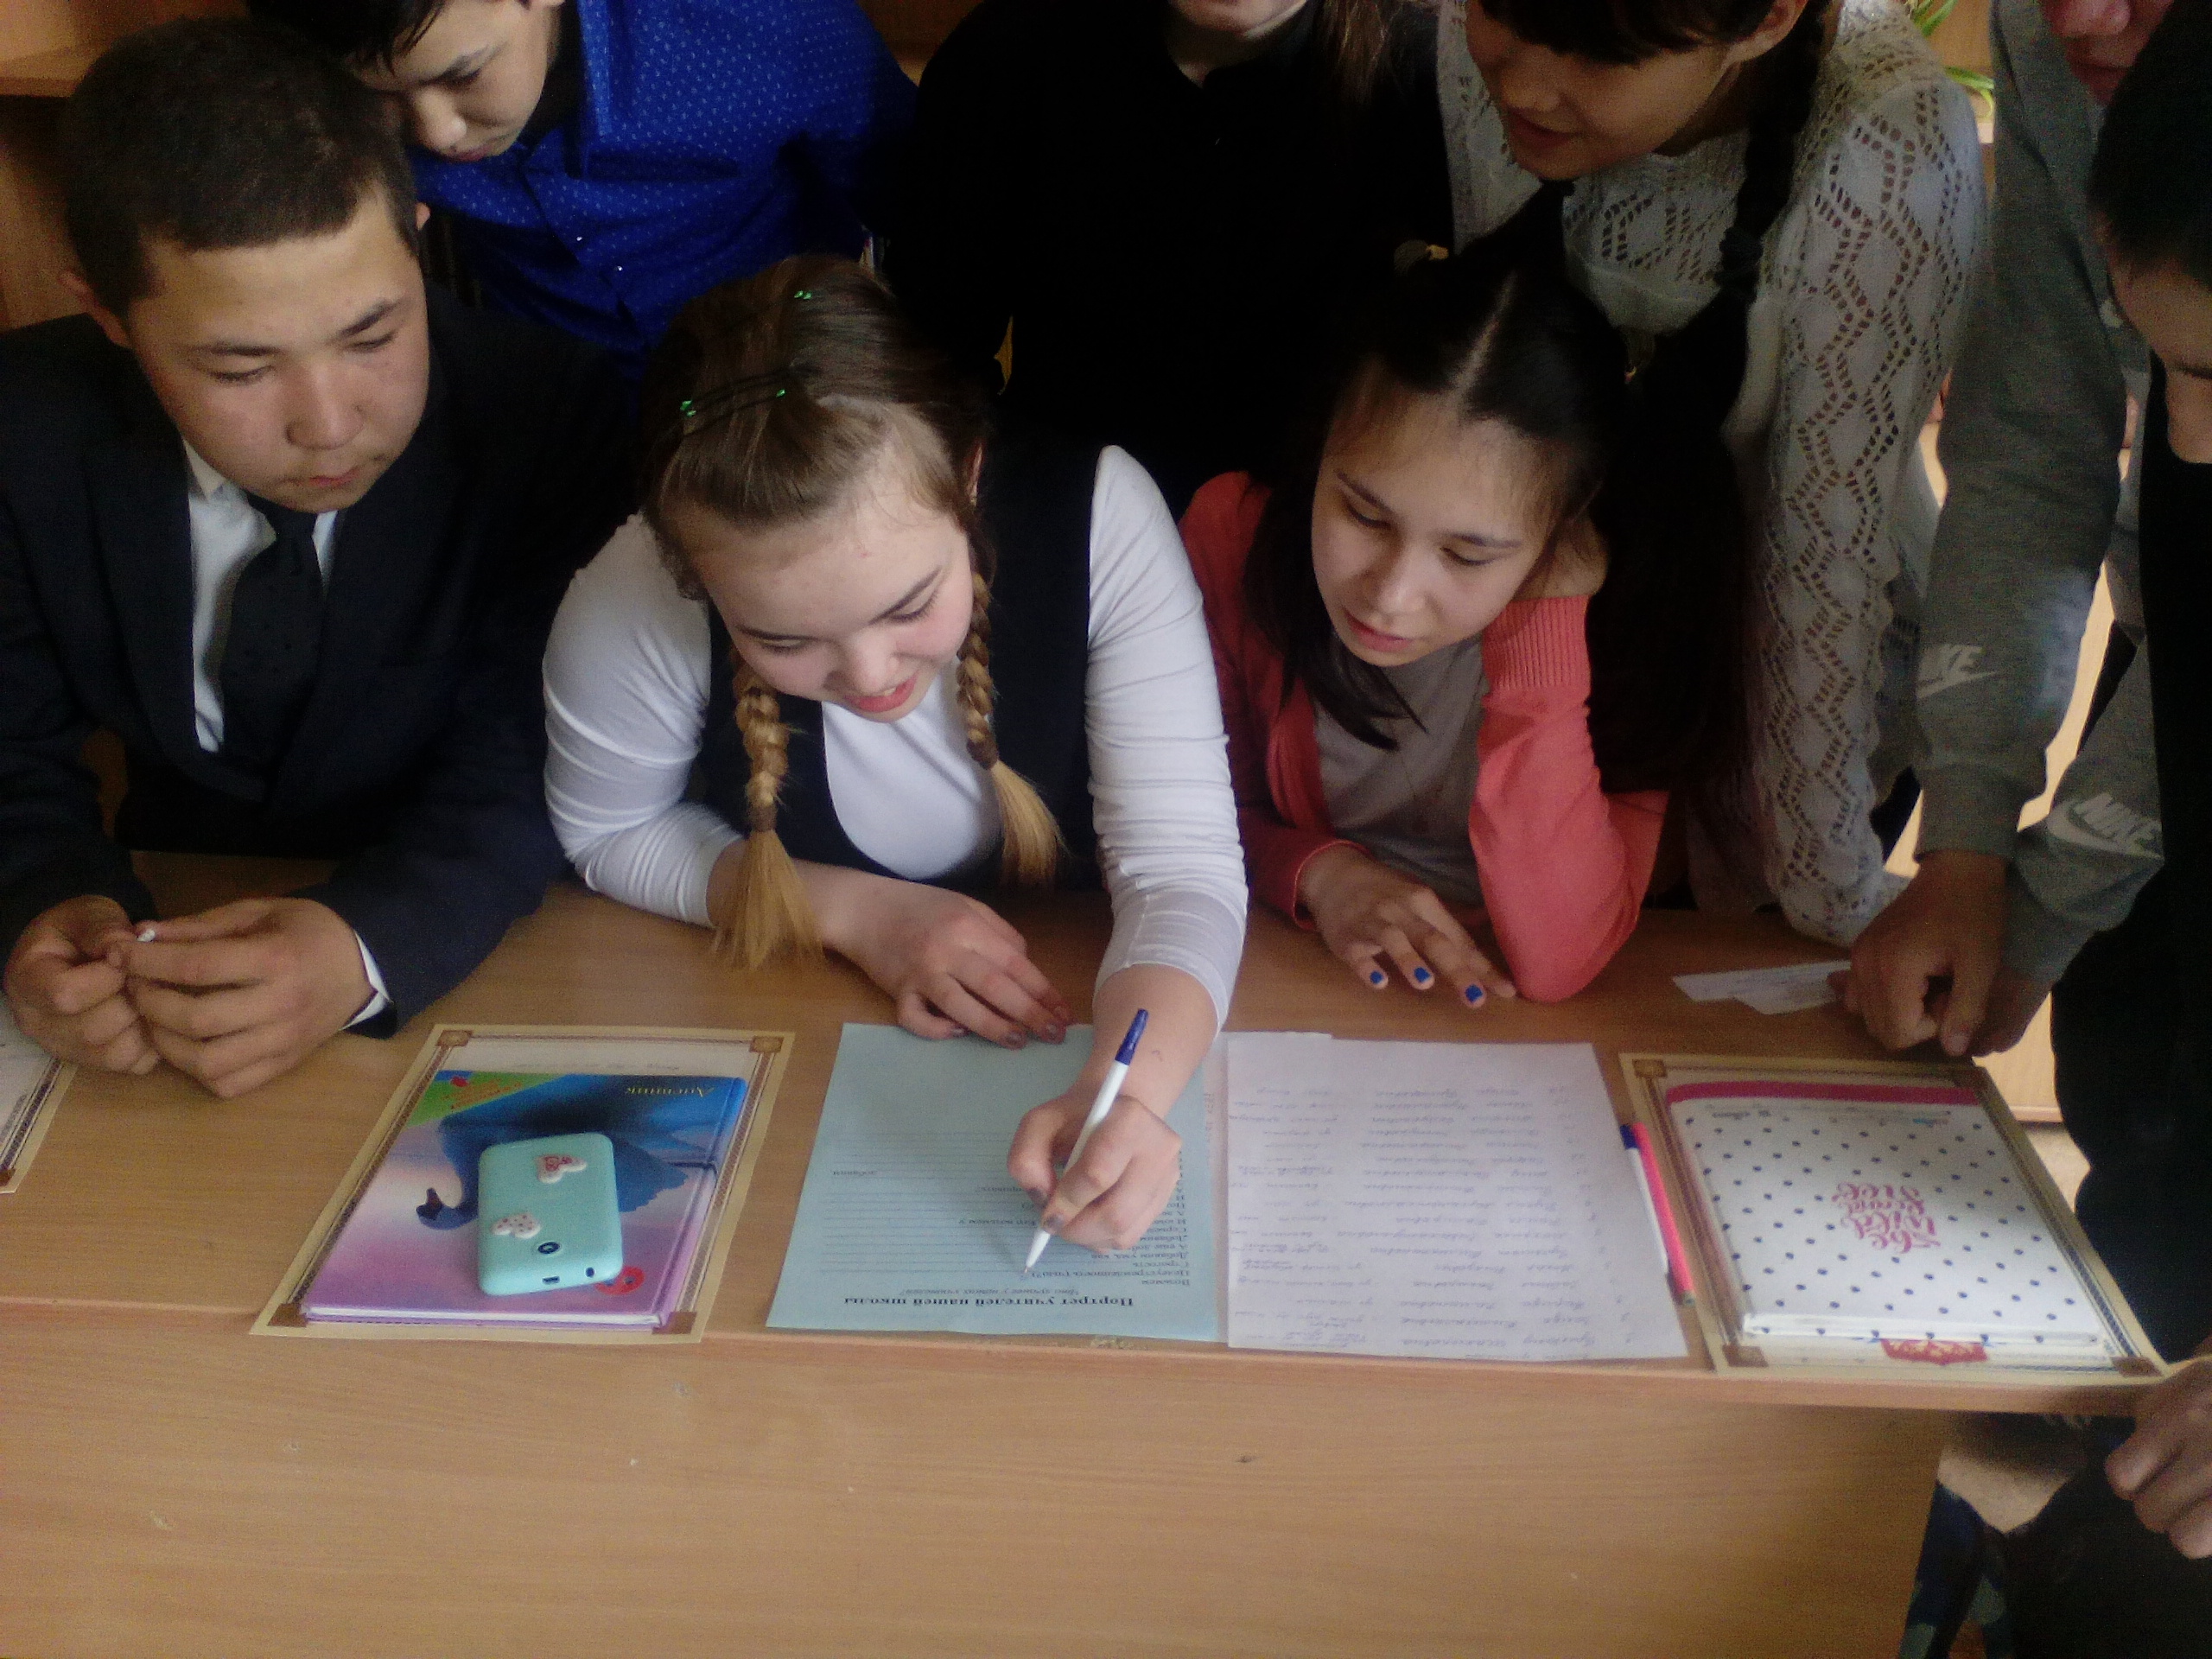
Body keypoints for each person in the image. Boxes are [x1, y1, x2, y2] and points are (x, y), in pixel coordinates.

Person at [543, 256, 1246, 1255]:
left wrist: (1125, 1095)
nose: (870, 676)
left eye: (911, 605)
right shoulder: (635, 585)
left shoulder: (1094, 515)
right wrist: (854, 913)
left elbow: (1182, 867)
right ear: (692, 575)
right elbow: (609, 829)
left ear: (968, 479)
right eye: (782, 639)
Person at [0, 20, 632, 1098]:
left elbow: (532, 753)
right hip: (169, 937)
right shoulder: (24, 431)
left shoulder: (551, 416)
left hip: (495, 945)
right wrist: (47, 904)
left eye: (373, 337)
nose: (329, 426)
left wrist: (365, 946)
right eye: (241, 369)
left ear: (417, 240)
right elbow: (9, 748)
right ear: (105, 313)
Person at [1436, 0, 1983, 942]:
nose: (1522, 84)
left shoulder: (1885, 140)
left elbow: (1820, 565)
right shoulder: (1480, 44)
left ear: (1766, 21)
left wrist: (1824, 892)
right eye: (1500, 11)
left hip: (1781, 700)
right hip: (1554, 666)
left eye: (1595, 50)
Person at [1184, 213, 1746, 1004]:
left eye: (1468, 555)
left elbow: (1561, 957)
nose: (1392, 595)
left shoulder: (1632, 611)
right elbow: (1190, 816)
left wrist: (1546, 615)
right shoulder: (1233, 539)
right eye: (1364, 515)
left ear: (1565, 519)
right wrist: (1321, 874)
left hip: (1500, 1017)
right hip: (1294, 973)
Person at [887, 0, 1452, 516]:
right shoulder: (1010, 50)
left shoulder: (1429, 83)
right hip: (1066, 512)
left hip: (1315, 534)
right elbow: (932, 353)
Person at [251, 0, 914, 379]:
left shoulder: (763, 21)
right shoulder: (311, 91)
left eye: (464, 75)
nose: (436, 134)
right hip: (552, 399)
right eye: (381, 95)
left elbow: (913, 198)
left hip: (795, 362)